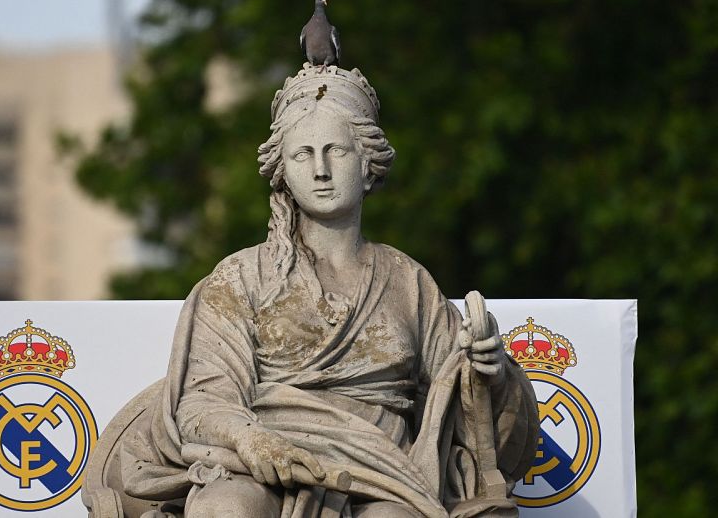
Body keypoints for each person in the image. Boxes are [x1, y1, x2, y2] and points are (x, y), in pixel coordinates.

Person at [121, 65, 538, 518]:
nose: (320, 170)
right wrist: (252, 439)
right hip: (262, 465)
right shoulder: (241, 276)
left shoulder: (409, 281)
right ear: (283, 171)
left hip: (384, 474)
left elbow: (463, 406)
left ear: (366, 164)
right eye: (302, 154)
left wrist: (490, 371)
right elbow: (203, 400)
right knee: (228, 507)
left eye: (335, 150)